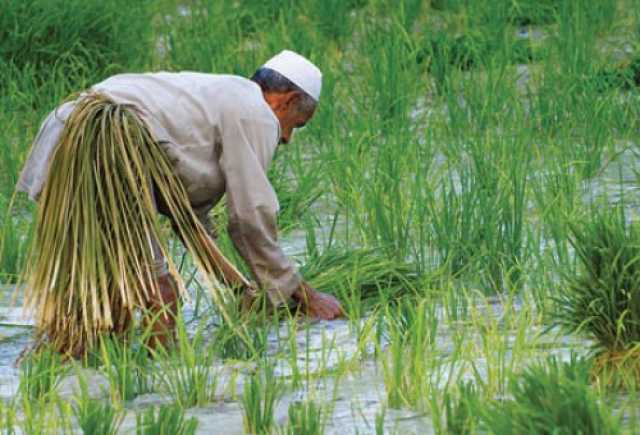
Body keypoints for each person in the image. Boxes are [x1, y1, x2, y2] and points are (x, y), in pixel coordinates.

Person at [17, 50, 344, 356]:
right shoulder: (256, 112)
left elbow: (188, 221)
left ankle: (76, 373)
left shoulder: (211, 96)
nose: (286, 138)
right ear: (287, 101)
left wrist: (240, 288)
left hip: (64, 129)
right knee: (160, 294)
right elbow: (250, 216)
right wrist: (303, 295)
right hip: (108, 140)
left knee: (97, 292)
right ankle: (155, 395)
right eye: (295, 126)